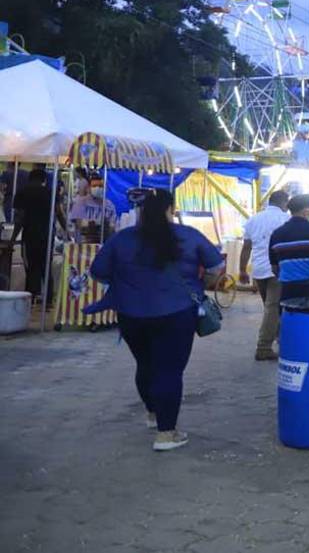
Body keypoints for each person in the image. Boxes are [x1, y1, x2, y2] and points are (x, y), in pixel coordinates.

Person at [90, 189, 224, 451]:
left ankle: (153, 414)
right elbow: (216, 267)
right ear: (170, 209)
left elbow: (98, 273)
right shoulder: (189, 235)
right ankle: (166, 434)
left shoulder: (122, 239)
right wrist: (199, 284)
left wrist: (128, 283)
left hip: (131, 314)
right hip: (177, 313)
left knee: (145, 364)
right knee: (170, 371)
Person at [239, 191, 290, 361]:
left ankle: (281, 340)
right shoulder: (285, 219)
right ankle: (263, 347)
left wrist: (242, 270)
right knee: (273, 309)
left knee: (271, 309)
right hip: (277, 269)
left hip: (259, 270)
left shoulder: (254, 219)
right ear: (284, 202)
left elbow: (246, 247)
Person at [9, 168, 54, 301]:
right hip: (47, 235)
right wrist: (67, 232)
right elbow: (58, 213)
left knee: (31, 266)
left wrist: (13, 238)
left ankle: (31, 297)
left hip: (30, 235)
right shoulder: (49, 192)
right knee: (46, 266)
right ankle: (49, 299)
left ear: (30, 178)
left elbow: (20, 217)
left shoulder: (22, 192)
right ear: (44, 180)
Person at [68, 173, 117, 243]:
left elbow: (112, 227)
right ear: (89, 188)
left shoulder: (110, 206)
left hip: (103, 244)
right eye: (94, 186)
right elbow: (80, 224)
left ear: (105, 187)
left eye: (100, 186)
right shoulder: (80, 203)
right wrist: (100, 224)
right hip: (82, 245)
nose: (97, 188)